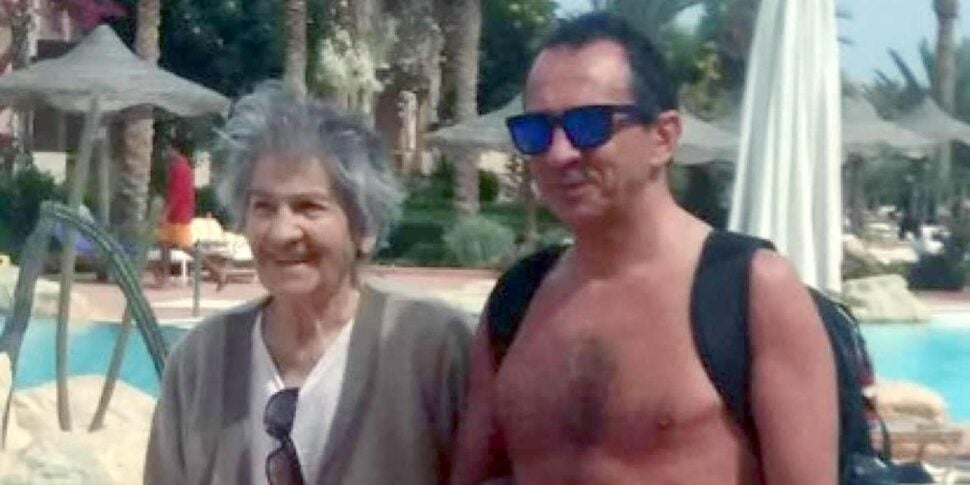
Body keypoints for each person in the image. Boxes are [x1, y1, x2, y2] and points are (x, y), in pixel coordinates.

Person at [451, 13, 838, 485]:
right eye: (536, 130)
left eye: (588, 125)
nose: (558, 153)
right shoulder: (518, 300)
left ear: (663, 138)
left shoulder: (749, 290)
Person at [145, 83, 473, 484]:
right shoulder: (200, 361)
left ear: (365, 228)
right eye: (263, 207)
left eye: (308, 207)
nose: (281, 232)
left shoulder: (436, 348)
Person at [154, 141, 229, 289]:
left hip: (177, 216)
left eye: (167, 150)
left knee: (184, 247)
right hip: (179, 214)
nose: (165, 154)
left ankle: (216, 271)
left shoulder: (179, 168)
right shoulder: (181, 167)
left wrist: (165, 213)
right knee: (164, 244)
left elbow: (175, 194)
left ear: (174, 150)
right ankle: (164, 276)